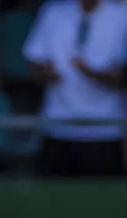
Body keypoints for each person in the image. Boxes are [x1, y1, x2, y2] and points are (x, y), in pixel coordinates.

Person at [24, 0, 127, 178]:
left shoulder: (122, 15)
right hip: (57, 125)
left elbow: (121, 77)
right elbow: (35, 64)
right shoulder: (52, 12)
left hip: (105, 128)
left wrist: (90, 73)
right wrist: (46, 74)